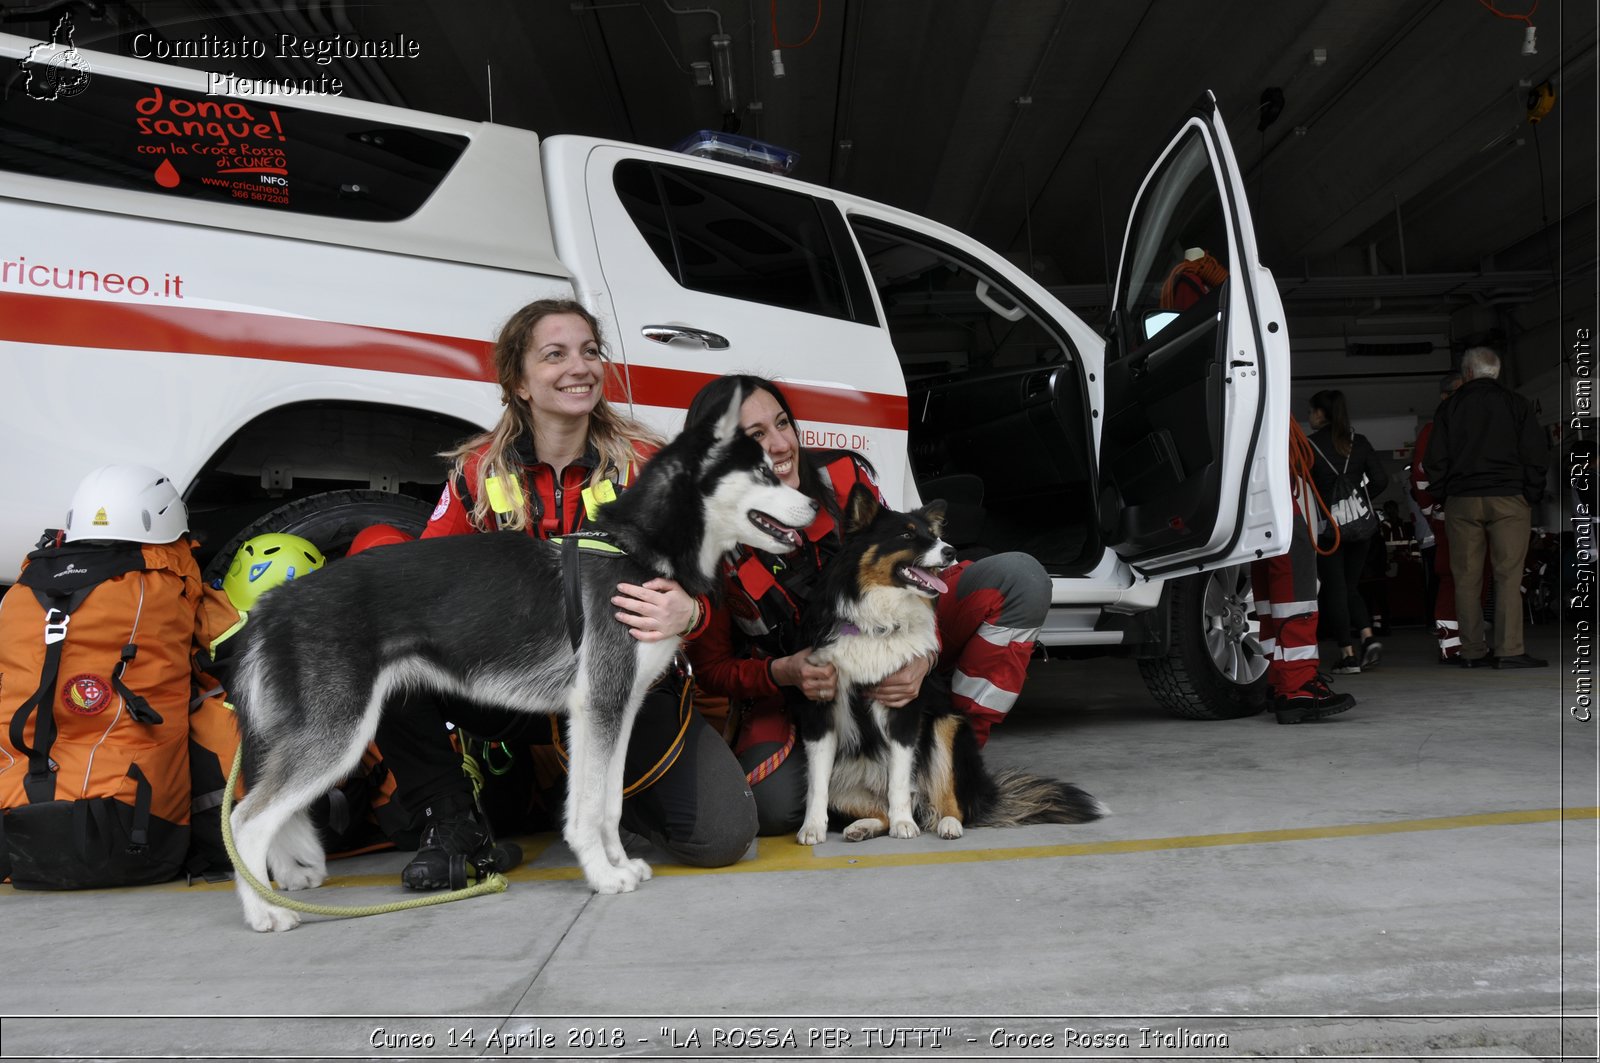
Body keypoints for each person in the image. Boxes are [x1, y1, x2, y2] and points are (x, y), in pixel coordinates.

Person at [375, 298, 757, 888]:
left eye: (589, 351)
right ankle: (454, 821)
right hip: (514, 688)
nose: (578, 367)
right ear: (519, 383)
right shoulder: (477, 469)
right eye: (554, 355)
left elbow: (707, 586)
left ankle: (603, 798)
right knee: (386, 645)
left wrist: (691, 611)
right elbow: (421, 586)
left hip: (626, 688)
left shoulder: (650, 464)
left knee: (721, 837)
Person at [682, 374, 1052, 835]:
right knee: (773, 809)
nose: (780, 444)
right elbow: (713, 670)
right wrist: (782, 672)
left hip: (893, 635)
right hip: (803, 689)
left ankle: (950, 764)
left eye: (782, 424)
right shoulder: (709, 545)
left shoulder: (842, 477)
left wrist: (925, 656)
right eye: (755, 437)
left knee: (1019, 579)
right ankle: (869, 792)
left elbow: (908, 566)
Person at [1424, 346, 1550, 669]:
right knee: (1508, 575)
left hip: (1462, 500)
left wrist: (1444, 494)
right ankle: (1509, 650)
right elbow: (1536, 453)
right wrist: (1529, 494)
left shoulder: (1449, 408)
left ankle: (1471, 651)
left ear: (1467, 374)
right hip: (1509, 497)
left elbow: (1433, 459)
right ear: (1496, 373)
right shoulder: (1516, 404)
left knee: (1466, 578)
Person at [1254, 421, 1354, 724]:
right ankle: (1298, 687)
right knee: (1294, 578)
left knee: (1265, 574)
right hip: (1271, 479)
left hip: (1250, 481)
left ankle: (1281, 680)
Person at [1305, 390, 1389, 675]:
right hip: (1360, 528)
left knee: (1335, 589)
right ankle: (1367, 636)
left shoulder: (1310, 447)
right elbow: (1380, 479)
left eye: (1311, 411)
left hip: (1328, 529)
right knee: (1351, 586)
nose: (1309, 417)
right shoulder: (1359, 443)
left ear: (1320, 413)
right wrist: (1359, 503)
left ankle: (1348, 655)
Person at [1411, 371, 1465, 662]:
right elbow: (1420, 477)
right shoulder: (1433, 430)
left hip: (1462, 512)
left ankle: (1470, 640)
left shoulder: (1468, 427)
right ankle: (1451, 643)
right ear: (1445, 396)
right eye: (1458, 392)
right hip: (1446, 516)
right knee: (1450, 576)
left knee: (1475, 577)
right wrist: (1431, 510)